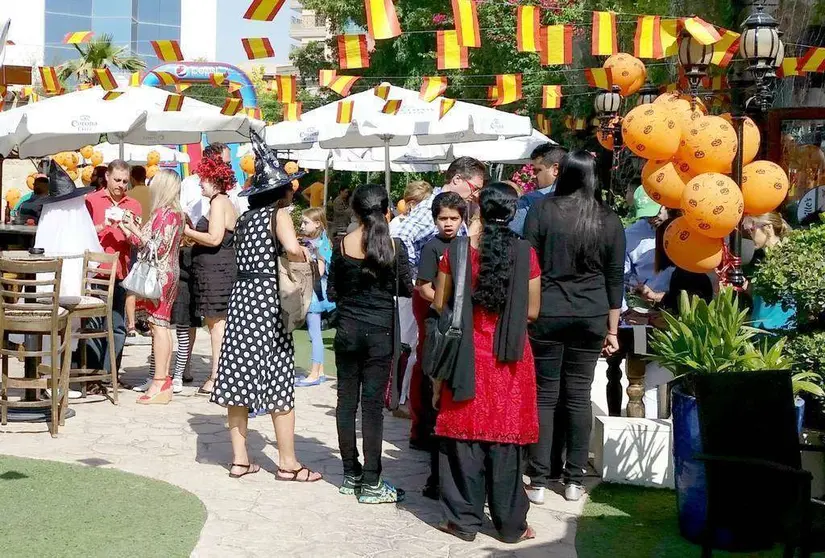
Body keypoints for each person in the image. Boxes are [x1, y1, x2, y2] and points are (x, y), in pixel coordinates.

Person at [432, 182, 540, 543]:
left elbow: (440, 302)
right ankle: (511, 525)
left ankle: (463, 521)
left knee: (464, 441)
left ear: (476, 212)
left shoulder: (457, 252)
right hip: (509, 357)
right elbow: (533, 311)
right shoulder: (526, 254)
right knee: (506, 442)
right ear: (512, 213)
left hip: (467, 355)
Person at [211, 133, 321, 483]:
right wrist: (305, 254)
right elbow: (290, 250)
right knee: (278, 379)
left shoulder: (245, 220)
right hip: (267, 301)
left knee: (238, 377)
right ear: (282, 192)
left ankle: (240, 460)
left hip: (241, 298)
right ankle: (287, 462)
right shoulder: (279, 216)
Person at [523, 151, 625, 503]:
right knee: (579, 395)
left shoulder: (542, 210)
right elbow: (616, 278)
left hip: (548, 312)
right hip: (592, 314)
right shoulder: (609, 219)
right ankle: (574, 479)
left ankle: (537, 479)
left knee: (546, 395)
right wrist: (613, 330)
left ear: (563, 173)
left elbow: (529, 265)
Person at [328, 183, 414, 504]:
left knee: (346, 403)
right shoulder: (394, 244)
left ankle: (351, 474)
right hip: (380, 334)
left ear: (354, 210)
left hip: (347, 331)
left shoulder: (341, 246)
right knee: (373, 408)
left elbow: (332, 292)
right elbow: (406, 288)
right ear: (386, 208)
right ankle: (372, 481)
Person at [395, 157, 485, 448]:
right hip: (432, 296)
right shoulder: (433, 208)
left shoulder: (458, 210)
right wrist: (413, 278)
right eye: (474, 187)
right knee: (429, 358)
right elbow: (401, 236)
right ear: (458, 179)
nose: (475, 194)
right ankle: (422, 429)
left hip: (451, 299)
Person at [415, 191, 467, 500]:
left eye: (453, 218)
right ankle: (435, 476)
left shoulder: (468, 248)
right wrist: (444, 303)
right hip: (440, 325)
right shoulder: (432, 248)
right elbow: (423, 286)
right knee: (436, 396)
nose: (448, 224)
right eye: (443, 218)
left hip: (463, 327)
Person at [119, 170, 185, 404]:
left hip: (162, 276)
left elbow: (157, 247)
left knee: (160, 326)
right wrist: (128, 227)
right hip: (162, 273)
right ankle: (161, 380)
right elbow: (142, 243)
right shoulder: (167, 213)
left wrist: (136, 230)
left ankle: (160, 381)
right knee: (158, 326)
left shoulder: (169, 215)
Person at [184, 154, 238, 396]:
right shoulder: (222, 201)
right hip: (216, 271)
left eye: (202, 178)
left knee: (217, 325)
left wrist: (186, 231)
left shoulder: (218, 202)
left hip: (218, 272)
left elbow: (215, 238)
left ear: (214, 180)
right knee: (217, 324)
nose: (199, 183)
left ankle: (217, 376)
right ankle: (219, 375)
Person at [85, 159, 143, 379]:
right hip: (94, 271)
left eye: (125, 181)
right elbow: (82, 234)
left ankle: (110, 373)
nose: (121, 185)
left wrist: (129, 231)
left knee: (118, 326)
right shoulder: (91, 201)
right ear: (107, 177)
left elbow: (139, 242)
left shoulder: (133, 205)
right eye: (117, 180)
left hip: (120, 271)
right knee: (93, 325)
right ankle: (93, 374)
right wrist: (103, 226)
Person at [389, 180, 434, 415]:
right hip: (406, 291)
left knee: (405, 345)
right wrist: (413, 273)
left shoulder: (398, 222)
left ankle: (397, 396)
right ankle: (400, 397)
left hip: (402, 290)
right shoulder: (401, 224)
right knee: (407, 345)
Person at [295, 207, 336, 387]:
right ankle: (319, 370)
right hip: (318, 290)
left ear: (317, 224)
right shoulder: (320, 241)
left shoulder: (317, 245)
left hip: (316, 292)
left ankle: (314, 372)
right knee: (315, 332)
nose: (302, 226)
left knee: (314, 333)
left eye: (306, 222)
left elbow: (318, 271)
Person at [743, 212, 795, 330]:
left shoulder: (789, 259)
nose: (750, 235)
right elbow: (762, 299)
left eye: (752, 229)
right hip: (759, 328)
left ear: (768, 228)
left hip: (781, 330)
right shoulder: (763, 261)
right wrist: (747, 287)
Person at [510, 144, 569, 236]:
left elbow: (513, 233)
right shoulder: (585, 200)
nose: (533, 176)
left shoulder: (530, 200)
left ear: (555, 169)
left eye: (538, 170)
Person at [125, 165, 152, 341]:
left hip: (135, 240)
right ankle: (148, 320)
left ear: (132, 178)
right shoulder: (154, 193)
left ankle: (131, 324)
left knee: (132, 283)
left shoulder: (129, 197)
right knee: (148, 283)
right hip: (151, 243)